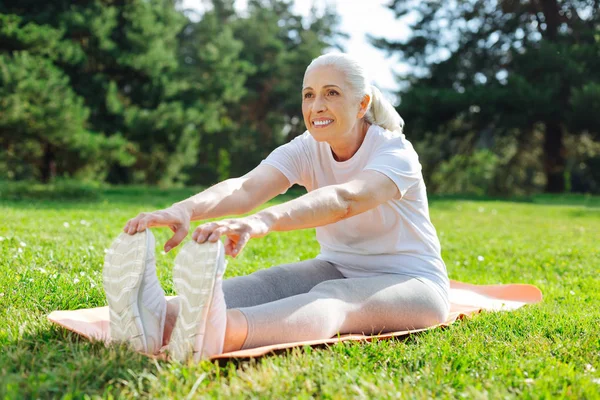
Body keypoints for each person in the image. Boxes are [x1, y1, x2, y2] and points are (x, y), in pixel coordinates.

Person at [102, 53, 450, 363]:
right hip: (338, 264)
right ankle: (160, 317)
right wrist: (184, 209)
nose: (317, 106)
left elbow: (346, 199)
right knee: (271, 281)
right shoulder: (307, 146)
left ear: (362, 105)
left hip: (412, 281)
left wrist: (262, 221)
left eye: (332, 93)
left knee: (336, 297)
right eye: (308, 95)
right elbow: (246, 187)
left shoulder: (395, 153)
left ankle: (221, 333)